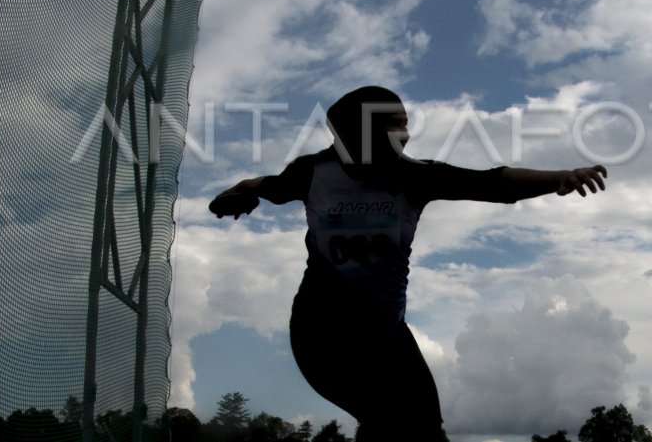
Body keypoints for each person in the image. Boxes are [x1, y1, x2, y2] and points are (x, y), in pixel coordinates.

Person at [209, 86, 607, 442]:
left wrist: (560, 177)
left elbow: (491, 183)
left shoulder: (413, 177)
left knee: (421, 429)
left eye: (406, 123)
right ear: (360, 130)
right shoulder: (313, 172)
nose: (407, 133)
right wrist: (237, 194)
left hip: (385, 334)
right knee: (392, 423)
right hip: (321, 336)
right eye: (396, 124)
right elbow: (262, 185)